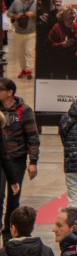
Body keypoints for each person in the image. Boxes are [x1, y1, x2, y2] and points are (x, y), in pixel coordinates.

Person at [0, 78, 38, 242]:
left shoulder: (24, 110)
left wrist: (33, 161)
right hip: (1, 160)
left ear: (10, 93)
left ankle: (8, 232)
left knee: (13, 199)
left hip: (17, 159)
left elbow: (32, 137)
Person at [7, 0, 36, 79]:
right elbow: (8, 13)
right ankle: (23, 69)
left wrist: (34, 15)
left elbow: (41, 17)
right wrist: (15, 16)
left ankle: (29, 70)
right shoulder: (16, 2)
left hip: (31, 32)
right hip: (18, 32)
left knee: (29, 52)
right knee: (20, 53)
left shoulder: (36, 4)